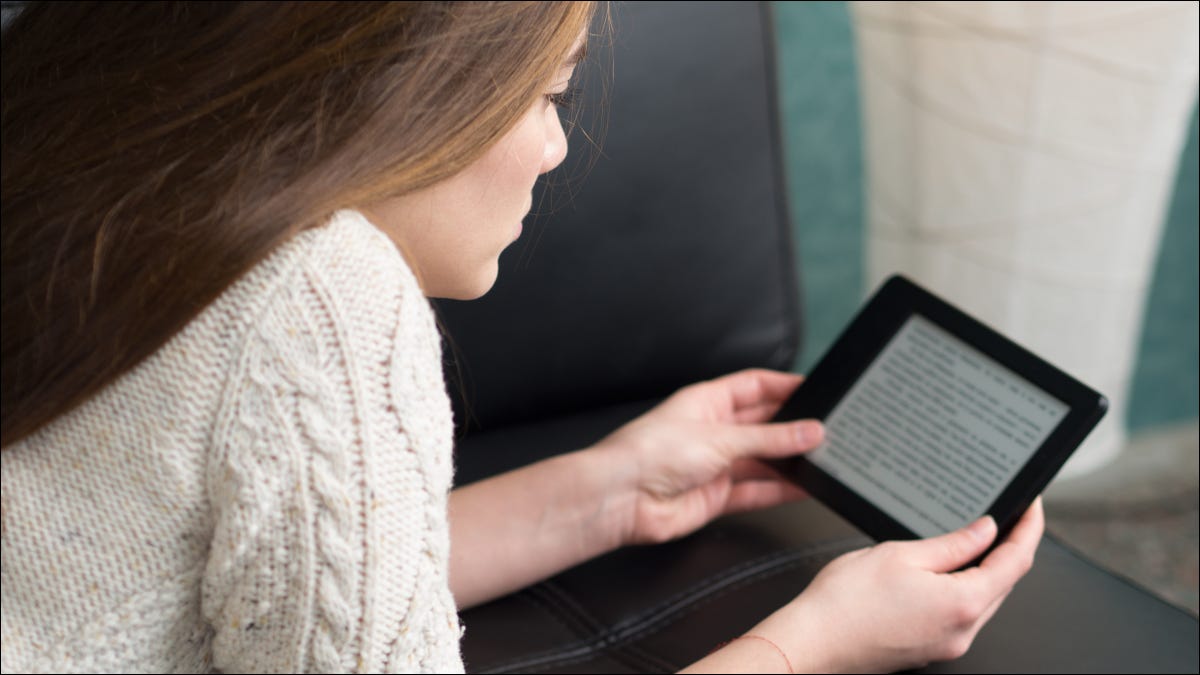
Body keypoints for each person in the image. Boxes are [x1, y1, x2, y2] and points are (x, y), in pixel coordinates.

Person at [0, 2, 1043, 673]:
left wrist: (613, 490)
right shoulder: (323, 297)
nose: (554, 147)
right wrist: (815, 643)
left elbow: (254, 586)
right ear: (395, 86)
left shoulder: (111, 187)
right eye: (549, 94)